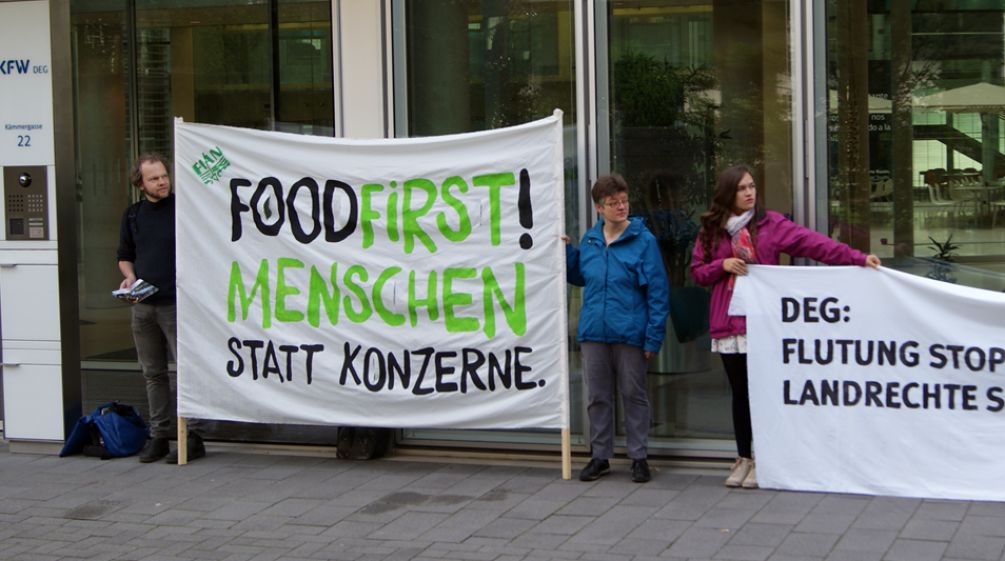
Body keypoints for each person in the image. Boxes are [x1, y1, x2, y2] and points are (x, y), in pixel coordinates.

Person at [690, 164, 881, 489]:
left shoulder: (770, 224)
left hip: (764, 322)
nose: (750, 193)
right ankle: (743, 457)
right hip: (728, 320)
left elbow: (816, 244)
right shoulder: (712, 230)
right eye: (742, 188)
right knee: (740, 392)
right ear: (728, 193)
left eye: (752, 186)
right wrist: (721, 265)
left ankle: (766, 457)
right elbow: (697, 272)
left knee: (763, 390)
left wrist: (857, 258)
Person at [565, 174, 670, 483]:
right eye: (613, 203)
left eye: (624, 201)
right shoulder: (591, 239)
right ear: (600, 208)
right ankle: (601, 456)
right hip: (593, 332)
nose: (621, 207)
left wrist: (653, 337)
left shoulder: (644, 241)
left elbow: (658, 292)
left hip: (630, 333)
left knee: (634, 395)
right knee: (597, 397)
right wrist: (568, 252)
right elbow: (581, 275)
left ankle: (639, 457)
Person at [117, 154, 205, 464]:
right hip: (143, 305)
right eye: (154, 178)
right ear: (140, 184)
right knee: (153, 374)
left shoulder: (183, 209)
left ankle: (191, 435)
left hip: (175, 304)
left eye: (164, 175)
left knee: (185, 370)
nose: (162, 181)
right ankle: (159, 435)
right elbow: (125, 255)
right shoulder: (133, 216)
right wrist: (129, 278)